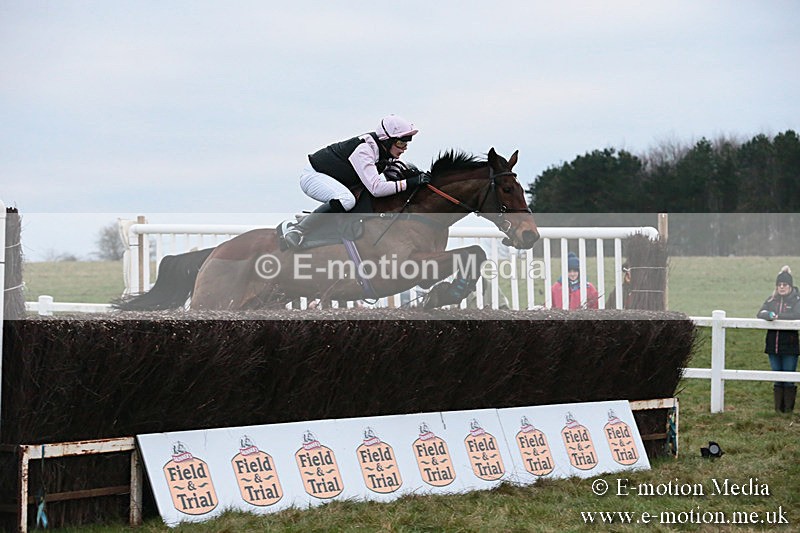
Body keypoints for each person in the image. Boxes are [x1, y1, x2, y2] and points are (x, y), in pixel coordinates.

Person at [284, 115, 431, 249]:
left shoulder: (386, 152)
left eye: (406, 143)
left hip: (338, 179)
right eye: (400, 143)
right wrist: (410, 182)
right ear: (387, 141)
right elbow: (377, 189)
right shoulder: (364, 150)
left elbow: (395, 175)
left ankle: (320, 223)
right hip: (314, 176)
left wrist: (420, 178)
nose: (404, 148)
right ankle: (297, 229)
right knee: (347, 200)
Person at [756, 266, 800, 413]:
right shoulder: (771, 300)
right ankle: (778, 410)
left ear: (790, 286)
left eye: (784, 285)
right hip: (772, 346)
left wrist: (777, 316)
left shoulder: (796, 300)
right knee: (777, 378)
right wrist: (768, 315)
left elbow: (796, 315)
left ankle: (788, 410)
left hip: (789, 346)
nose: (781, 287)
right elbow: (760, 313)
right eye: (779, 285)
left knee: (788, 378)